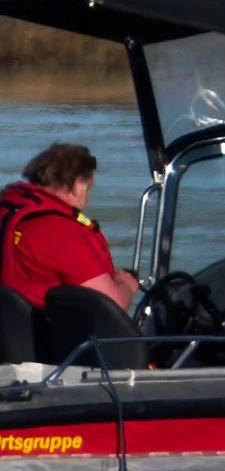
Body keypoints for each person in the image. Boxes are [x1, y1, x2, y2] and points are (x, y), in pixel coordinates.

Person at [1, 142, 137, 361]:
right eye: (88, 188)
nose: (87, 198)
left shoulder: (8, 209)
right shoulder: (61, 232)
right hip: (54, 353)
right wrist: (127, 284)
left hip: (12, 338)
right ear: (77, 184)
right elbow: (113, 304)